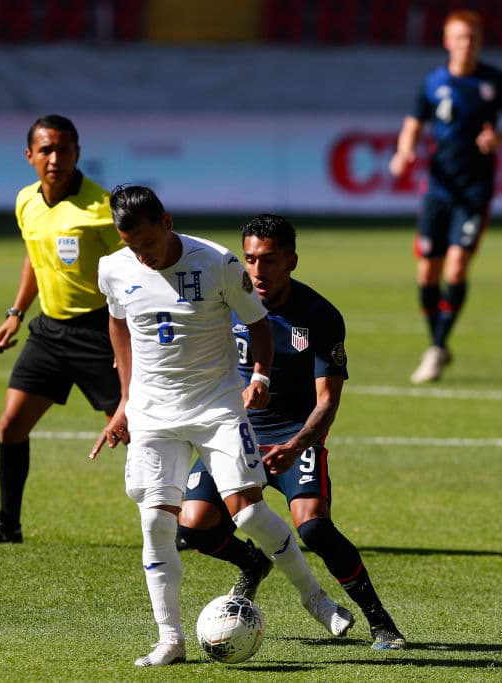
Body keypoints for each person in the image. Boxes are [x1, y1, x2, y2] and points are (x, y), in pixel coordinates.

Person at [90, 187, 354, 667]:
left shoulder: (217, 263)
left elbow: (257, 325)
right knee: (155, 523)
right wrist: (125, 401)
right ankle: (170, 638)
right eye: (132, 246)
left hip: (216, 407)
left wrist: (258, 376)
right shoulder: (114, 267)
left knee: (249, 516)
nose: (142, 256)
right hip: (152, 412)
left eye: (148, 243)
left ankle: (314, 598)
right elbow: (118, 326)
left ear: (167, 222)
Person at [176, 214, 406, 651]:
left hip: (295, 436)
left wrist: (297, 444)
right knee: (194, 527)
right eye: (249, 260)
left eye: (269, 260)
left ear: (291, 261)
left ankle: (381, 623)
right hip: (233, 435)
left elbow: (327, 402)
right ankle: (252, 562)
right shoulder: (226, 305)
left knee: (314, 529)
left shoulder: (319, 315)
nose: (257, 272)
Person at [0, 115, 122, 543]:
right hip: (49, 331)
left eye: (63, 149)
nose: (55, 158)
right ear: (29, 155)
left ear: (77, 154)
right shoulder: (26, 201)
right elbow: (34, 256)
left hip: (99, 332)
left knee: (134, 432)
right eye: (46, 150)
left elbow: (137, 264)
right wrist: (16, 311)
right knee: (11, 425)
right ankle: (7, 525)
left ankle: (188, 522)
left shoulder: (101, 208)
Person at [389, 9, 502, 384]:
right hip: (438, 188)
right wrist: (404, 152)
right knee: (427, 270)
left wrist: (499, 139)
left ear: (480, 41)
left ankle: (436, 347)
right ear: (448, 42)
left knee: (457, 267)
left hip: (476, 188)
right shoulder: (433, 83)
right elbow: (412, 125)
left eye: (473, 37)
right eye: (460, 37)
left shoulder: (496, 82)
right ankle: (437, 344)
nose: (467, 43)